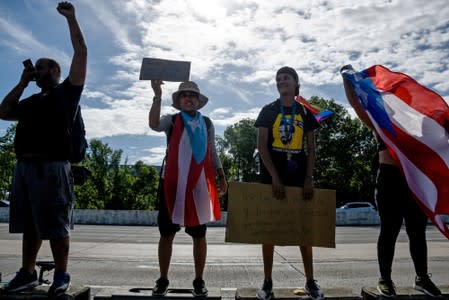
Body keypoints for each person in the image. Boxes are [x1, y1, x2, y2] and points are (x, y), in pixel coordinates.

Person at [0, 1, 87, 297]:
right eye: (34, 68)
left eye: (40, 67)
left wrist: (71, 19)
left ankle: (62, 273)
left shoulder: (67, 93)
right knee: (30, 225)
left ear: (55, 70)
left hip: (53, 167)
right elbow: (4, 110)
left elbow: (81, 53)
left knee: (56, 224)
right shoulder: (31, 101)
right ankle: (27, 272)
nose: (36, 71)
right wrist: (23, 81)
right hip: (25, 167)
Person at [340, 64, 442, 298]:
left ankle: (422, 278)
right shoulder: (381, 123)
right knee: (389, 230)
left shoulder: (419, 127)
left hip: (413, 181)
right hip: (389, 180)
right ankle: (385, 279)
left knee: (417, 231)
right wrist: (347, 81)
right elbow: (357, 105)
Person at [149, 80, 228, 297]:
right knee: (166, 234)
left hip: (197, 184)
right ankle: (163, 279)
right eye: (184, 95)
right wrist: (157, 95)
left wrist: (221, 174)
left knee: (199, 235)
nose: (189, 98)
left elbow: (212, 152)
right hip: (172, 183)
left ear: (198, 100)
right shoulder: (172, 120)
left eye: (192, 95)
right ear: (179, 100)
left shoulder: (207, 123)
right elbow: (153, 124)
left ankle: (199, 281)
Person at [254, 66, 323, 300]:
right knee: (269, 230)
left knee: (304, 229)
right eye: (278, 79)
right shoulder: (268, 110)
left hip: (299, 175)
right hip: (272, 176)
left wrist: (308, 178)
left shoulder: (305, 112)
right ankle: (267, 281)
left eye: (286, 78)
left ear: (295, 83)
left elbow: (312, 148)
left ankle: (310, 281)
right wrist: (274, 176)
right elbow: (262, 146)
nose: (281, 81)